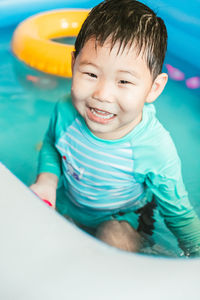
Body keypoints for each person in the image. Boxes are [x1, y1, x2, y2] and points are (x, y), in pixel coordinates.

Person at [30, 0, 200, 256]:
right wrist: (47, 180)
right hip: (70, 204)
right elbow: (53, 146)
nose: (102, 94)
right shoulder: (66, 110)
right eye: (90, 74)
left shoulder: (154, 147)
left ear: (154, 88)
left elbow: (178, 213)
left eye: (123, 81)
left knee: (114, 237)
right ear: (73, 64)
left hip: (124, 218)